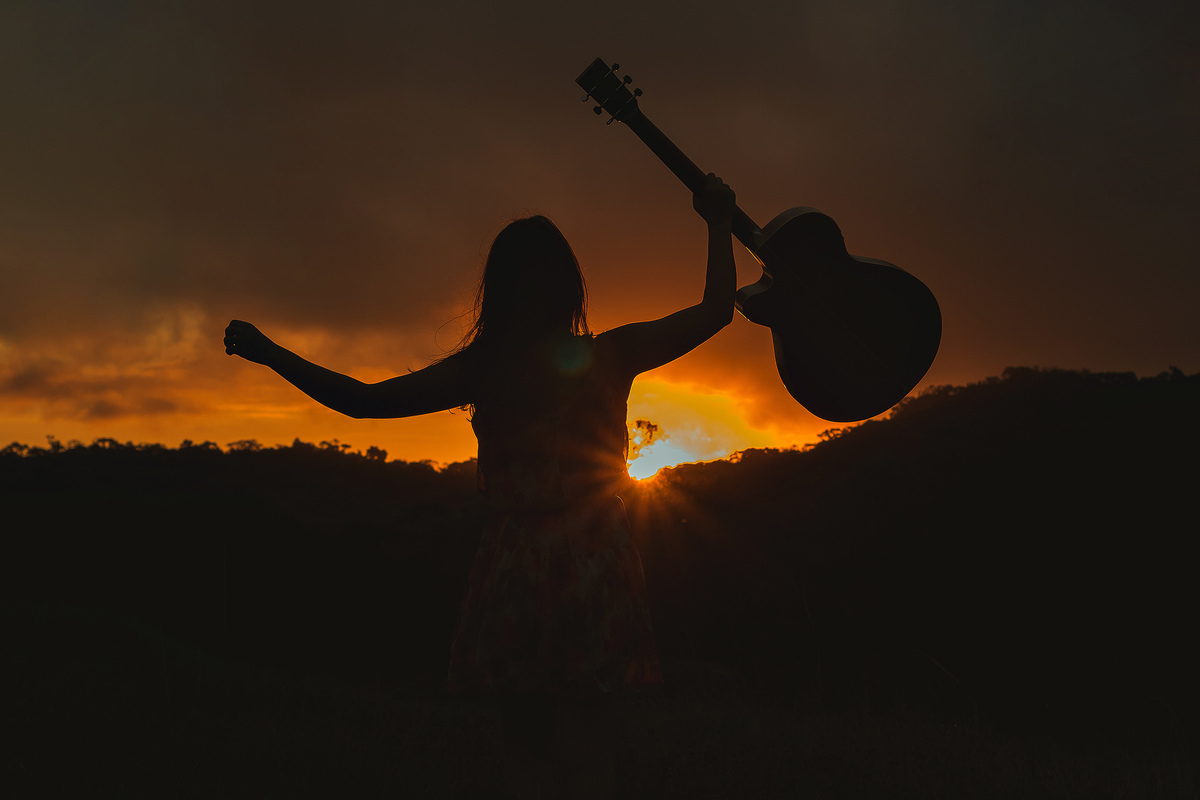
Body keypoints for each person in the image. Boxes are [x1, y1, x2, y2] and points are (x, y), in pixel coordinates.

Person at [223, 173, 737, 799]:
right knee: (588, 746)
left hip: (515, 564)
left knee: (526, 746)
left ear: (499, 290)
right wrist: (716, 221)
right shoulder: (605, 356)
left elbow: (360, 403)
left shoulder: (485, 371)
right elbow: (715, 311)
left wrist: (272, 353)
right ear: (567, 288)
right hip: (594, 562)